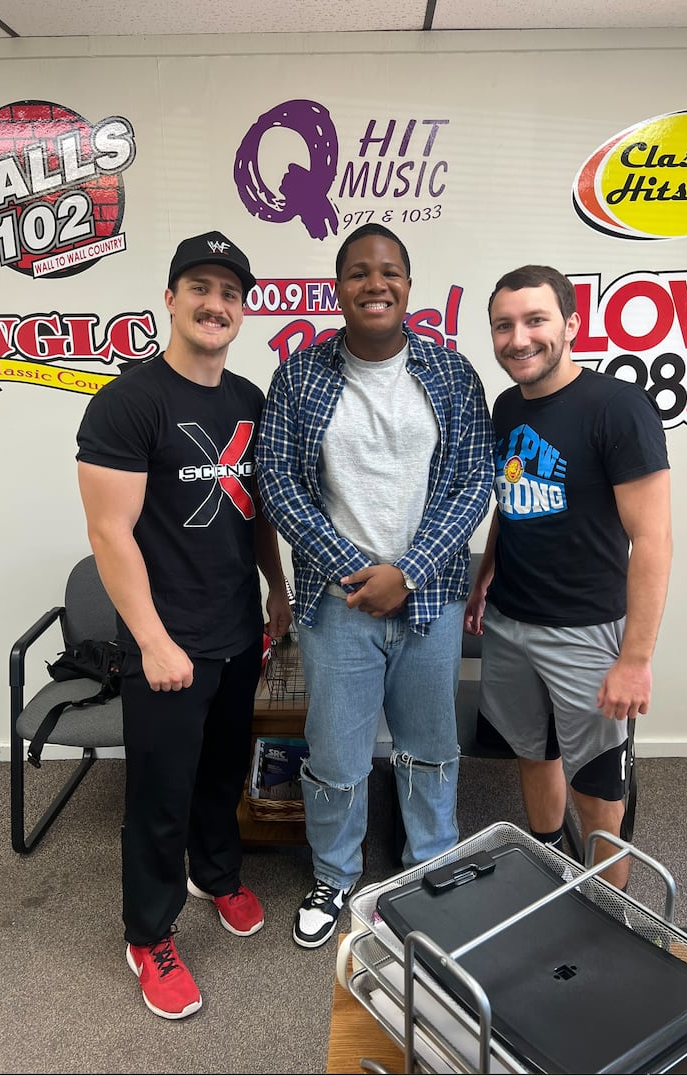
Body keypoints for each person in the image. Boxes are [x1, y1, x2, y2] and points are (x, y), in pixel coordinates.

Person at [256, 223, 494, 948]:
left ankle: (429, 866)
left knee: (429, 745)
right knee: (335, 752)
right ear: (338, 289)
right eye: (358, 272)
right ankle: (334, 873)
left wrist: (409, 572)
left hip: (432, 598)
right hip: (338, 603)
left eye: (388, 271)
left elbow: (472, 481)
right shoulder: (299, 375)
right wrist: (355, 570)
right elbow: (279, 482)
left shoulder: (452, 373)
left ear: (408, 286)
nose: (375, 283)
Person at [76, 230, 292, 1019]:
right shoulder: (130, 401)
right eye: (200, 287)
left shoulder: (247, 401)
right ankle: (148, 933)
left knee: (222, 770)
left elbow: (256, 508)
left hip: (238, 629)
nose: (216, 304)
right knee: (159, 794)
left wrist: (276, 588)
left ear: (243, 310)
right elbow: (110, 532)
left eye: (230, 293)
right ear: (171, 298)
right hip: (167, 642)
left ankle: (217, 872)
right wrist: (155, 640)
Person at [465, 265, 672, 890]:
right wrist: (486, 578)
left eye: (535, 321)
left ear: (571, 325)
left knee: (598, 776)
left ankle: (610, 905)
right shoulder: (505, 406)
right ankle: (547, 863)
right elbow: (512, 497)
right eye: (504, 325)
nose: (519, 338)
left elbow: (654, 540)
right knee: (534, 749)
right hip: (511, 618)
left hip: (588, 630)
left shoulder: (617, 408)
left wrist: (635, 659)